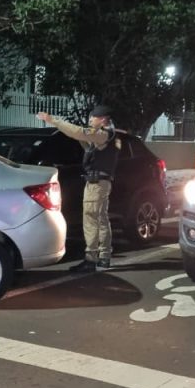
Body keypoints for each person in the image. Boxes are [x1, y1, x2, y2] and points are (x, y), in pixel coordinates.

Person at [37, 105, 120, 272]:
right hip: (102, 182)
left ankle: (90, 259)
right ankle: (104, 257)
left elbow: (78, 132)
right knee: (102, 219)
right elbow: (83, 139)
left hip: (97, 183)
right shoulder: (109, 135)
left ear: (103, 119)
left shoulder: (103, 134)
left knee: (90, 219)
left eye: (93, 117)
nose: (90, 120)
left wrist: (52, 120)